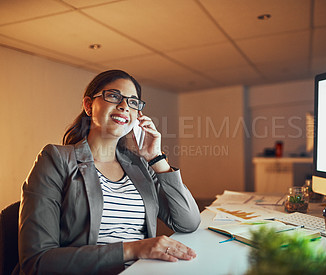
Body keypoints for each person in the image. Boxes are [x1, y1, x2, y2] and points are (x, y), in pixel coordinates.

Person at [16, 70, 201, 274]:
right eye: (113, 96)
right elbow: (37, 261)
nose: (124, 106)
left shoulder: (139, 166)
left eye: (133, 102)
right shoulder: (56, 159)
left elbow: (188, 222)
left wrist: (156, 158)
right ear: (88, 106)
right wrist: (135, 248)